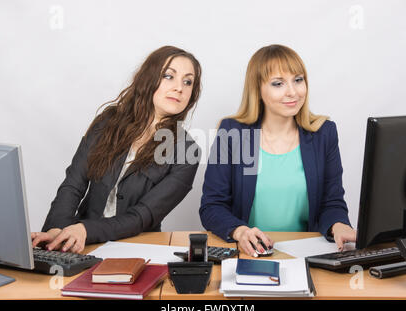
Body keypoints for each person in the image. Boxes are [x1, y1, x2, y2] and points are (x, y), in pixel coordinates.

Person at [31, 46, 202, 253]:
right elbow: (73, 185)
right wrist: (56, 230)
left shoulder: (187, 152)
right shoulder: (108, 122)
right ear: (149, 79)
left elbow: (141, 217)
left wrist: (85, 229)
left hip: (136, 248)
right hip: (80, 243)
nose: (179, 88)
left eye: (188, 82)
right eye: (169, 76)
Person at [199, 44, 356, 257]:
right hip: (249, 253)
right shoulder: (233, 131)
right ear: (258, 90)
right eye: (278, 83)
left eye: (298, 80)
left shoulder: (323, 133)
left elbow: (332, 202)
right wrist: (240, 231)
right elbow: (212, 206)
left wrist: (338, 225)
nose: (292, 92)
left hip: (306, 254)